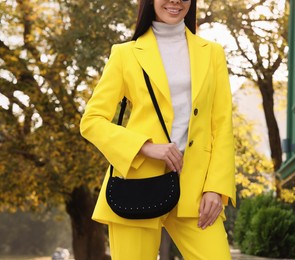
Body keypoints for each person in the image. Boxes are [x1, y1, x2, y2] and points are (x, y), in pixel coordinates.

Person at [80, 0, 236, 259]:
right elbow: (92, 120)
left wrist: (216, 188)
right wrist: (145, 147)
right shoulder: (125, 53)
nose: (176, 1)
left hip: (197, 189)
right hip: (136, 185)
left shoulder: (212, 53)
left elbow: (221, 125)